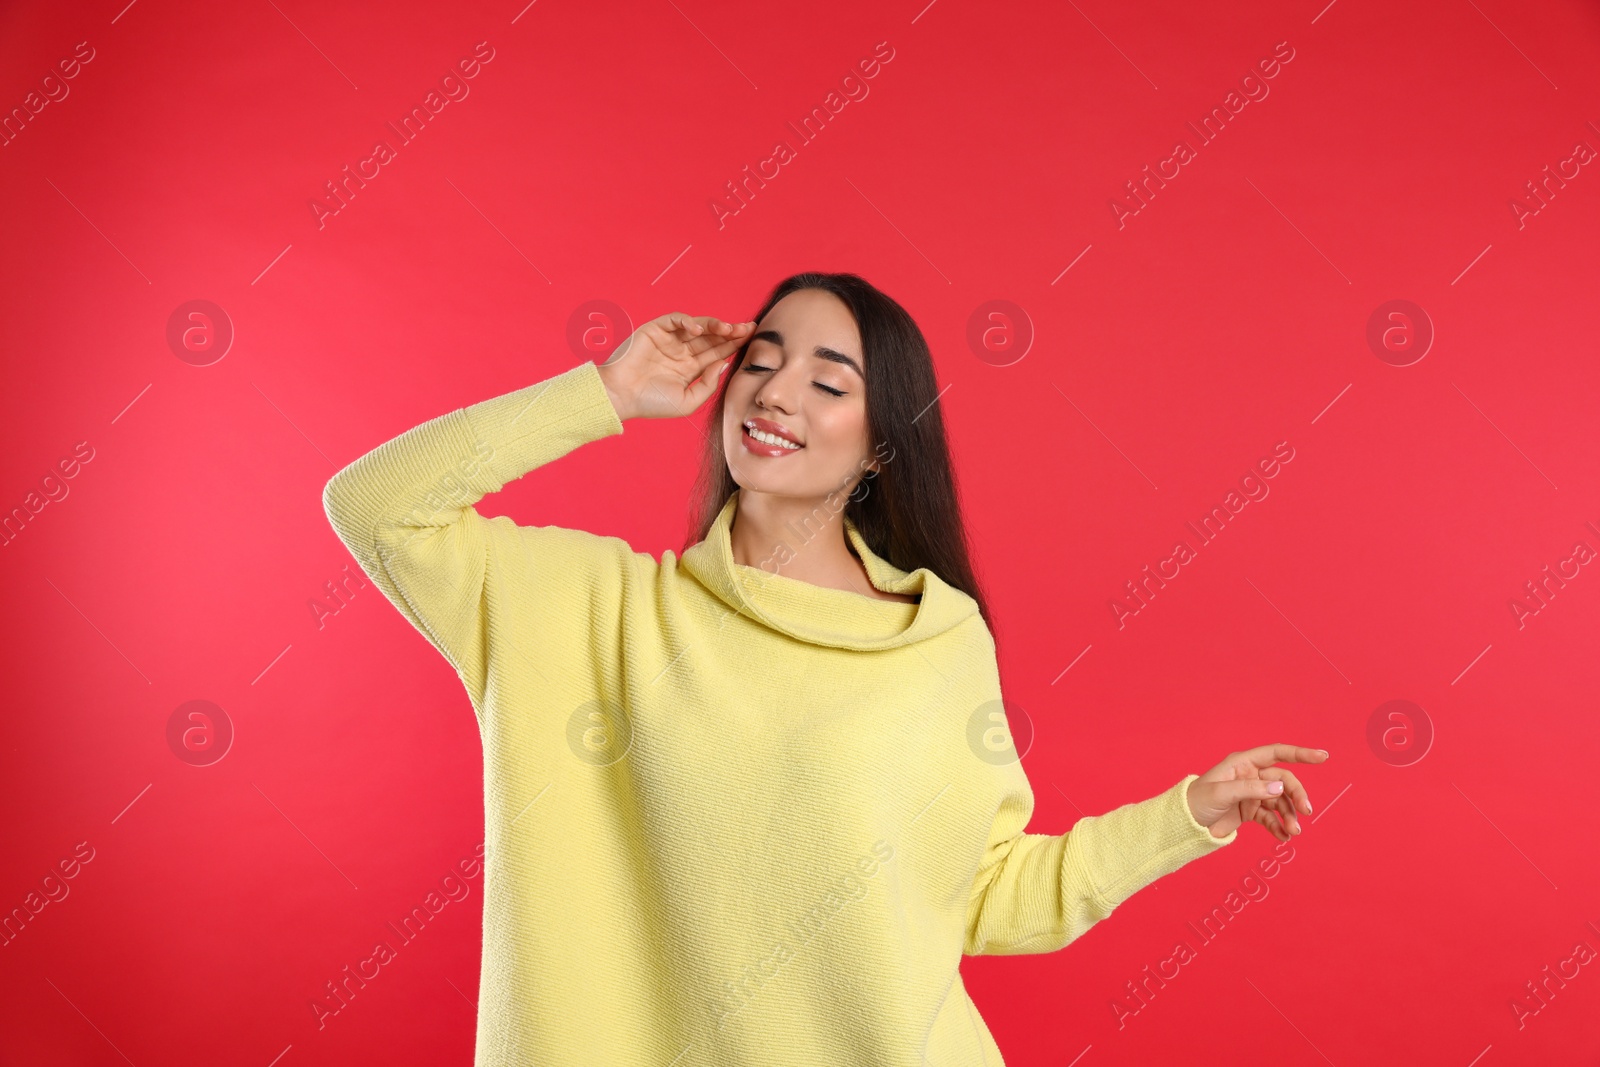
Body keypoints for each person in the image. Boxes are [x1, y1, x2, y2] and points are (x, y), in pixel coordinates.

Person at [321, 271, 1327, 1066]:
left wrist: (1187, 812)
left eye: (828, 380)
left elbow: (979, 895)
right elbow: (375, 505)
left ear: (881, 445)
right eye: (761, 360)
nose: (777, 390)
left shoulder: (936, 641)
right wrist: (608, 390)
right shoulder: (594, 609)